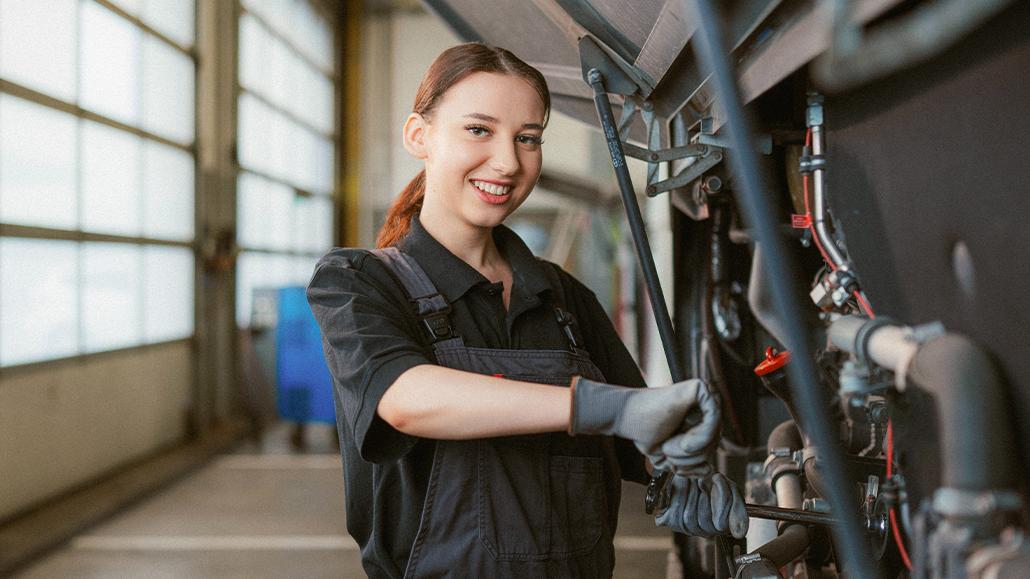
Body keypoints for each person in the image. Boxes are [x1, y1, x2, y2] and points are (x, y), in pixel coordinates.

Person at [307, 43, 747, 579]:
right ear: (419, 136)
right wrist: (603, 408)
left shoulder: (563, 298)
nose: (508, 162)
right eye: (478, 130)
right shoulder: (359, 282)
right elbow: (405, 399)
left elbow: (636, 437)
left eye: (528, 138)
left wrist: (680, 475)